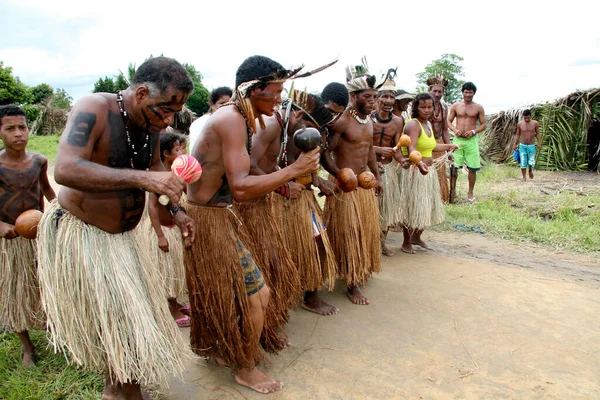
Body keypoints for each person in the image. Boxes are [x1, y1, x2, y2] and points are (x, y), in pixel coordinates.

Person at [36, 56, 196, 400]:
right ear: (140, 93)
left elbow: (157, 176)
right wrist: (143, 178)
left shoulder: (151, 128)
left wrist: (178, 211)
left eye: (174, 113)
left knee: (125, 319)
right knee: (120, 323)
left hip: (124, 240)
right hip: (85, 233)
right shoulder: (93, 107)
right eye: (164, 110)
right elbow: (65, 168)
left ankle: (115, 388)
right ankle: (126, 392)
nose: (168, 120)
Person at [185, 55, 320, 394]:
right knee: (259, 295)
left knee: (229, 293)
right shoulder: (231, 120)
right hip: (209, 220)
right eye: (275, 92)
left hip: (213, 217)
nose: (279, 100)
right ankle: (246, 368)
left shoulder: (238, 118)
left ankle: (218, 347)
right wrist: (292, 171)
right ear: (252, 89)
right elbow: (242, 187)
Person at [251, 88, 340, 316]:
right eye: (311, 128)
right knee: (280, 255)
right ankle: (281, 304)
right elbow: (249, 165)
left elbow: (293, 166)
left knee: (317, 242)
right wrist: (282, 187)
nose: (312, 134)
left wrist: (317, 181)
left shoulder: (290, 130)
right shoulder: (272, 126)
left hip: (299, 197)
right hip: (275, 200)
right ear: (299, 116)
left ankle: (309, 295)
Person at [321, 63, 383, 305]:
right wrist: (339, 175)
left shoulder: (369, 122)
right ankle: (351, 282)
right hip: (344, 188)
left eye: (375, 97)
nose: (373, 101)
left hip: (363, 186)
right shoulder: (342, 122)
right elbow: (326, 153)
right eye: (367, 97)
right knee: (349, 233)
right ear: (354, 96)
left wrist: (377, 177)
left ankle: (358, 270)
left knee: (364, 231)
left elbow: (369, 153)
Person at [0, 105, 56, 367]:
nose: (18, 133)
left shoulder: (39, 161)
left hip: (38, 237)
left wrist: (59, 213)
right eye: (10, 128)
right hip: (9, 241)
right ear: (0, 132)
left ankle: (52, 327)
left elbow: (47, 192)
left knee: (44, 284)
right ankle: (27, 346)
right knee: (15, 292)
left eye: (22, 127)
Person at [139, 132, 190, 327]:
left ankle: (175, 302)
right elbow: (152, 206)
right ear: (166, 153)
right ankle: (171, 309)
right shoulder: (159, 176)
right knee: (167, 273)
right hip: (162, 231)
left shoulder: (175, 174)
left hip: (173, 228)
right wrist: (160, 235)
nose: (181, 152)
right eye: (177, 150)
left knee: (176, 269)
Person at [399, 93, 458, 253]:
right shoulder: (413, 125)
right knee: (412, 207)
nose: (426, 110)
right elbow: (412, 148)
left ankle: (416, 237)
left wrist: (448, 147)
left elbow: (430, 147)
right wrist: (418, 164)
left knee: (427, 206)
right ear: (416, 108)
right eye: (422, 107)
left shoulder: (428, 125)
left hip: (428, 172)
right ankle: (406, 242)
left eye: (429, 107)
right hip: (415, 171)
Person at [371, 72, 405, 256]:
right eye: (384, 96)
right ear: (377, 98)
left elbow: (397, 147)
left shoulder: (398, 121)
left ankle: (382, 243)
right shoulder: (367, 119)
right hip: (370, 170)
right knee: (371, 209)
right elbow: (363, 146)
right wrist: (378, 150)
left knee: (387, 209)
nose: (388, 100)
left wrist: (403, 161)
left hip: (389, 170)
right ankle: (370, 242)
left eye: (392, 97)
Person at [448, 82, 487, 203]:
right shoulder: (456, 106)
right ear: (462, 92)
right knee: (454, 167)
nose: (468, 94)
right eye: (466, 92)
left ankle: (470, 193)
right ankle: (452, 192)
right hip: (458, 140)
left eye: (470, 92)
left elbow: (484, 124)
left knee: (473, 168)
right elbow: (448, 121)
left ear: (474, 93)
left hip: (471, 140)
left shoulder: (478, 108)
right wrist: (455, 130)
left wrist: (473, 131)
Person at [427, 75, 452, 203]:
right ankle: (428, 199)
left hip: (439, 143)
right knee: (427, 172)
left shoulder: (444, 108)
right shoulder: (423, 106)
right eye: (434, 91)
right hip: (426, 144)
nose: (437, 94)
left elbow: (445, 130)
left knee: (440, 173)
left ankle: (441, 199)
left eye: (440, 91)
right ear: (429, 91)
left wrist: (449, 149)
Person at [513, 109, 541, 181]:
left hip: (531, 145)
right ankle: (524, 177)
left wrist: (539, 143)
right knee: (523, 161)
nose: (526, 119)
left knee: (531, 162)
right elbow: (518, 134)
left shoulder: (535, 123)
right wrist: (515, 144)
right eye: (525, 118)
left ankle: (530, 170)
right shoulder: (520, 124)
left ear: (530, 116)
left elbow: (537, 133)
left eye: (528, 118)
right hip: (523, 145)